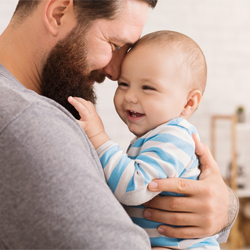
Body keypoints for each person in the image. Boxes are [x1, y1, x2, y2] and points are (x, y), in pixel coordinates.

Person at [0, 0, 238, 249]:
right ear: (58, 14)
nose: (115, 72)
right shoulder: (28, 119)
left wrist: (224, 208)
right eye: (114, 45)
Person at [68, 30, 220, 249]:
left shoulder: (174, 136)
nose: (130, 96)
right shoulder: (155, 137)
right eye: (123, 84)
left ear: (188, 103)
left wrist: (98, 138)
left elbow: (134, 188)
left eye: (148, 88)